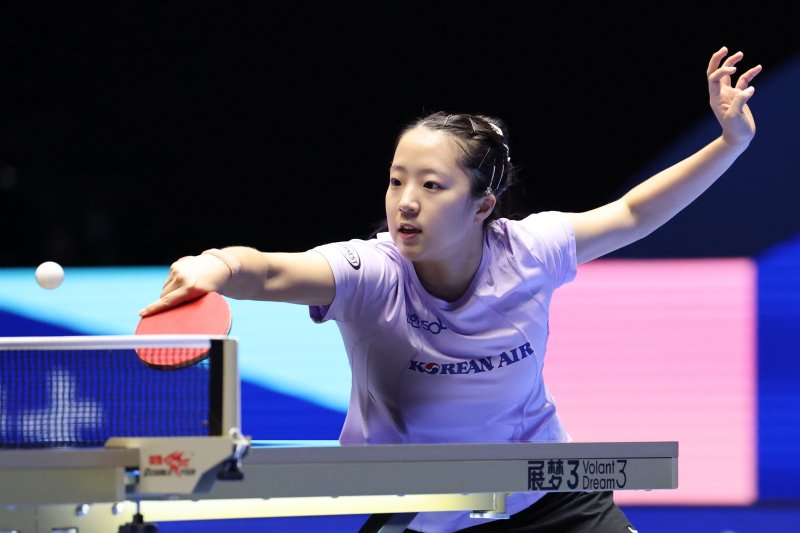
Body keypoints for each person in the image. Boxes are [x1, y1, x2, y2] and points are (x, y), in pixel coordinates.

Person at [140, 46, 761, 533]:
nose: (404, 204)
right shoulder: (370, 273)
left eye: (432, 186)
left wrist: (730, 143)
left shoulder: (531, 252)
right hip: (421, 508)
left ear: (482, 204)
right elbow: (268, 271)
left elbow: (630, 213)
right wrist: (213, 266)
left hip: (546, 498)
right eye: (395, 181)